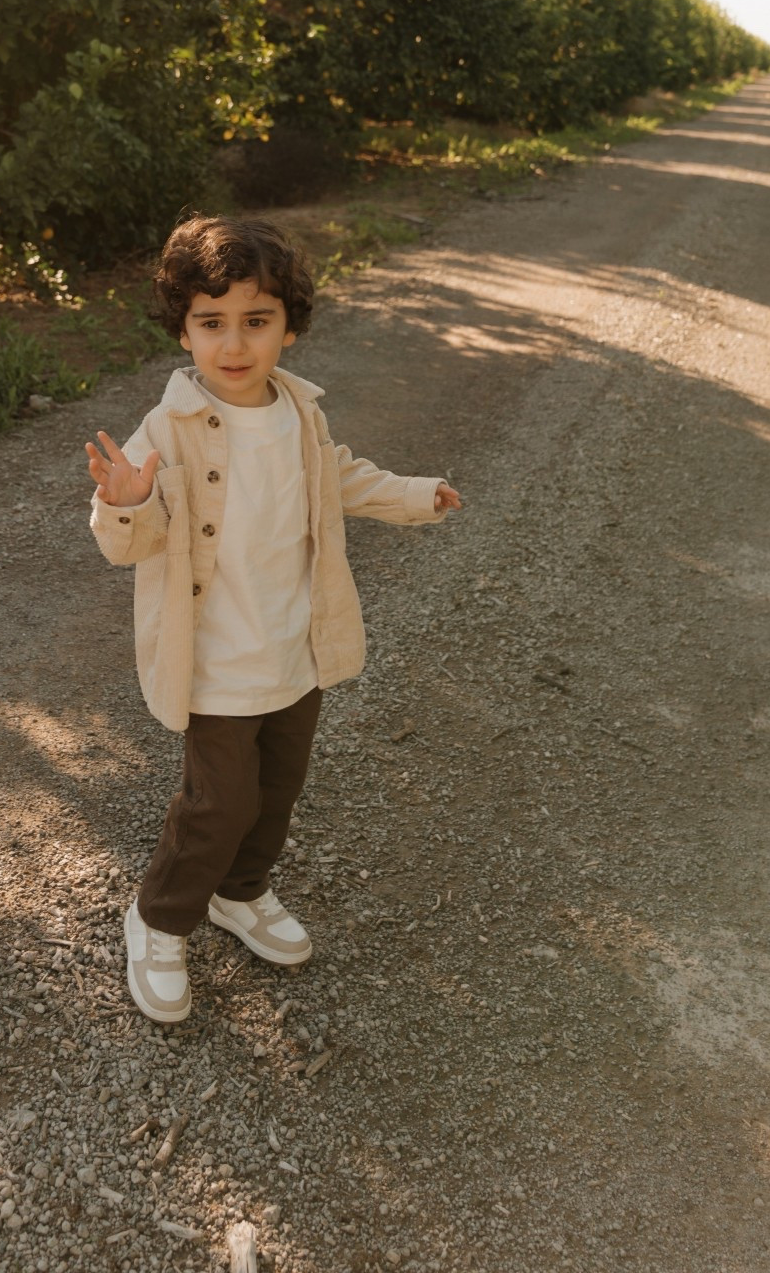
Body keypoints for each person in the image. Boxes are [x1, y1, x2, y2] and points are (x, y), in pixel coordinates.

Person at [84, 212, 461, 1024]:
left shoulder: (299, 413)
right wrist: (128, 502)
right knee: (217, 804)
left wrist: (415, 496)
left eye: (257, 322)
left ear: (288, 329)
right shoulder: (168, 431)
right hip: (216, 662)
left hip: (294, 651)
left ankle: (240, 892)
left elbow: (342, 480)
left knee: (277, 792)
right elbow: (133, 544)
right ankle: (157, 919)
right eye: (211, 323)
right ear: (183, 330)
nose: (234, 344)